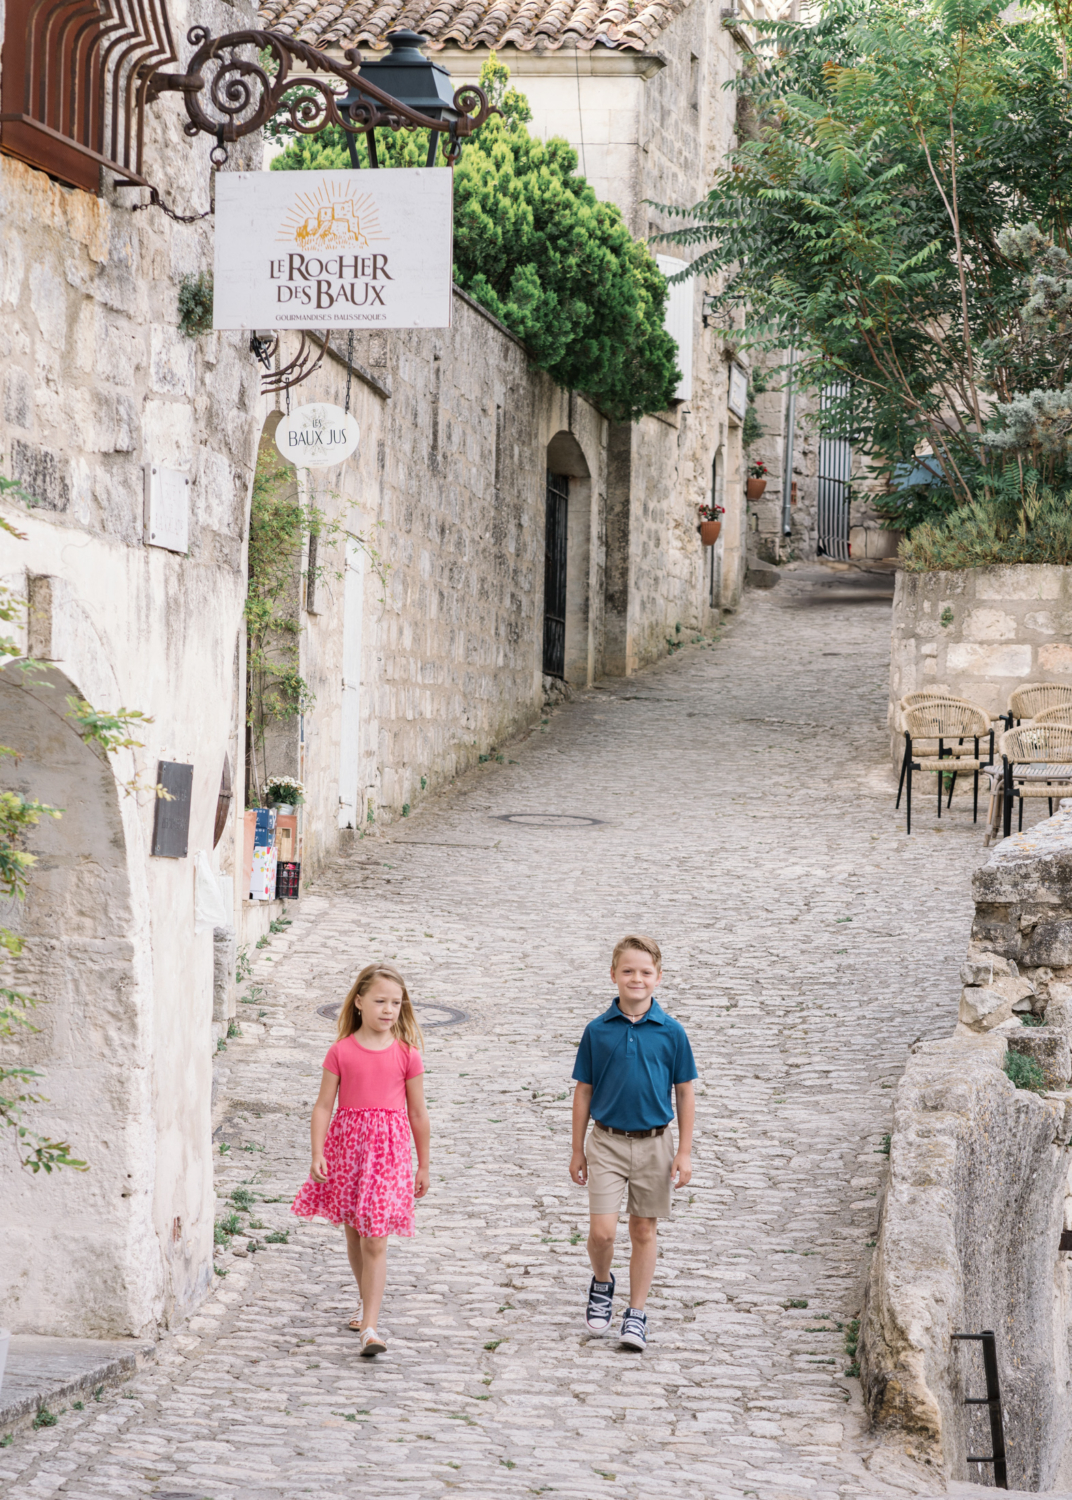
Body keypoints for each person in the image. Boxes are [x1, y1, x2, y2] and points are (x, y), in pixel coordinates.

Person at [292, 961, 430, 1357]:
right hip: (347, 1151)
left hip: (387, 1155)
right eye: (380, 1001)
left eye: (396, 1004)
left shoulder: (407, 1055)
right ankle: (363, 1300)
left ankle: (370, 1326)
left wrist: (423, 1164)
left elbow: (418, 1113)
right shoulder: (341, 1051)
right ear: (358, 1003)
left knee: (375, 1238)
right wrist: (317, 1152)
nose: (389, 1010)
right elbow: (323, 1106)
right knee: (354, 1231)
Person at [569, 936, 697, 1351]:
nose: (636, 979)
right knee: (603, 1232)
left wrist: (684, 1151)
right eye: (628, 971)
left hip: (655, 1144)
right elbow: (583, 1091)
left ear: (658, 978)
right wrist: (576, 1149)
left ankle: (636, 1313)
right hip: (605, 1142)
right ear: (613, 976)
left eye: (645, 972)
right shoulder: (597, 1031)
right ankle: (602, 1284)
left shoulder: (672, 1033)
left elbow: (685, 1091)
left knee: (643, 1228)